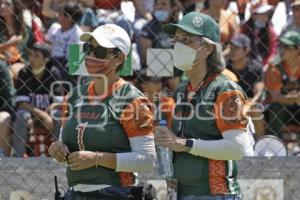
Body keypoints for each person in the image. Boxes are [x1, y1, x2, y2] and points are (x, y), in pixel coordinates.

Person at [48, 24, 156, 199]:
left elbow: (147, 160)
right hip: (75, 194)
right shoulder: (74, 95)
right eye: (88, 48)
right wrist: (57, 149)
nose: (90, 56)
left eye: (99, 52)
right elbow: (65, 143)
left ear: (119, 58)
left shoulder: (132, 99)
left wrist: (96, 158)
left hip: (117, 193)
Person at [154, 12, 252, 199]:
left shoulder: (224, 88)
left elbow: (237, 148)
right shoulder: (182, 90)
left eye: (187, 40)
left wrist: (184, 144)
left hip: (215, 193)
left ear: (207, 49)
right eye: (176, 40)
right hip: (181, 192)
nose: (178, 46)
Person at [12, 43, 62, 157]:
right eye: (31, 55)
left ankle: (59, 154)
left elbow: (58, 101)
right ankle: (17, 156)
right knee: (21, 115)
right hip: (30, 112)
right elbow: (22, 103)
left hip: (50, 113)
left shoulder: (53, 73)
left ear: (46, 59)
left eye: (37, 56)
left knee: (59, 114)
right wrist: (43, 115)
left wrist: (51, 109)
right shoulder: (24, 72)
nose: (31, 58)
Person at [226, 34, 265, 136]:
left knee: (256, 109)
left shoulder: (255, 67)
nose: (232, 51)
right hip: (226, 101)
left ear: (246, 50)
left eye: (237, 48)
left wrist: (249, 104)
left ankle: (259, 143)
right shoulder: (224, 66)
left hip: (248, 102)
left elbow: (259, 92)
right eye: (231, 47)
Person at [264, 31, 300, 138]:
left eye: (287, 47)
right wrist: (292, 98)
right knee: (277, 107)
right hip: (282, 106)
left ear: (298, 49)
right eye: (281, 46)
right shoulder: (274, 67)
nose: (282, 50)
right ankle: (274, 144)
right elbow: (274, 97)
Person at [0, 59, 15, 156]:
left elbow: (8, 99)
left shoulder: (1, 68)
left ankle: (3, 160)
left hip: (1, 109)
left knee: (3, 118)